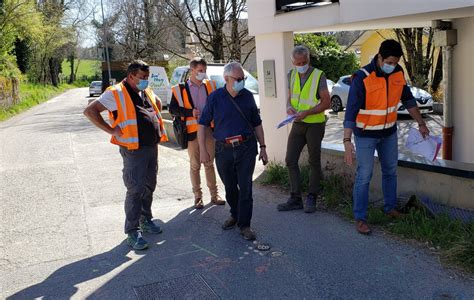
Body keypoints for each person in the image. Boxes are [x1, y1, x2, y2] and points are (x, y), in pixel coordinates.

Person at [343, 39, 430, 235]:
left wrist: (421, 123)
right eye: (389, 62)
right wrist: (347, 141)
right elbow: (351, 112)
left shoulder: (398, 73)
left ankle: (390, 208)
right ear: (380, 57)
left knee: (390, 171)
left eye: (395, 62)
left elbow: (408, 100)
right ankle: (360, 218)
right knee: (364, 175)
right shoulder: (362, 77)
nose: (392, 66)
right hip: (365, 135)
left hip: (389, 133)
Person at [83, 60, 168, 250]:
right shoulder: (116, 93)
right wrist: (111, 130)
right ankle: (132, 231)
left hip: (150, 146)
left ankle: (146, 219)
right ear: (131, 76)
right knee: (135, 189)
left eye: (147, 77)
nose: (146, 81)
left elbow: (158, 104)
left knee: (149, 185)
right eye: (143, 77)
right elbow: (90, 111)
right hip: (133, 150)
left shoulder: (144, 90)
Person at [198, 62, 268, 241]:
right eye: (238, 79)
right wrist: (203, 150)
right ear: (226, 79)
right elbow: (203, 124)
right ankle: (235, 214)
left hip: (246, 148)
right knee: (230, 187)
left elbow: (257, 123)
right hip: (223, 149)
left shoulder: (248, 97)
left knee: (246, 187)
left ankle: (245, 225)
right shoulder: (215, 98)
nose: (241, 82)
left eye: (243, 78)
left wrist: (263, 147)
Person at [277, 45, 331, 213]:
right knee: (290, 159)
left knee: (314, 161)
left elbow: (326, 102)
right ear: (292, 62)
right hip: (297, 122)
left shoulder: (318, 75)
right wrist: (289, 107)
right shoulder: (291, 74)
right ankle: (295, 198)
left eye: (304, 61)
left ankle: (312, 197)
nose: (301, 65)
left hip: (315, 123)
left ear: (309, 59)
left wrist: (308, 112)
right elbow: (289, 98)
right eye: (298, 62)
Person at [169, 57, 225, 209]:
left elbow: (219, 105)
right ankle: (198, 196)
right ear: (192, 70)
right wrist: (189, 112)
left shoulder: (211, 86)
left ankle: (214, 195)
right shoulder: (179, 89)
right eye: (200, 71)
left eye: (204, 71)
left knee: (209, 163)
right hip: (192, 132)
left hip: (208, 130)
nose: (203, 73)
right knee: (195, 165)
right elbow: (172, 109)